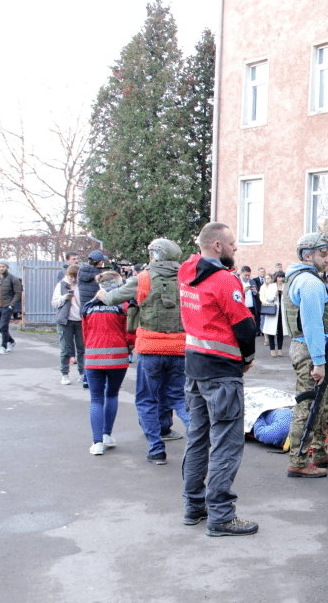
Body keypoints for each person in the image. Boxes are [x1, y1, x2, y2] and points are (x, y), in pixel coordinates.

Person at [178, 222, 258, 536]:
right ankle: (221, 515)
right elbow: (245, 328)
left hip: (195, 368)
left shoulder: (186, 272)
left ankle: (193, 506)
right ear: (217, 247)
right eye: (232, 243)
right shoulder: (225, 281)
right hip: (222, 373)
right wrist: (248, 359)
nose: (235, 248)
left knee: (197, 439)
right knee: (227, 443)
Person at [97, 238, 189, 465]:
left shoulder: (143, 278)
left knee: (147, 399)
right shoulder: (186, 278)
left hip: (150, 349)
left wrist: (100, 294)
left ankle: (156, 450)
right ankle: (199, 439)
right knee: (179, 397)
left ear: (156, 255)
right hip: (180, 348)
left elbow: (111, 298)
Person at [284, 232, 328, 478]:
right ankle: (298, 460)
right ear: (307, 256)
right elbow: (312, 325)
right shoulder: (309, 283)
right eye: (323, 253)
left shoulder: (307, 278)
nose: (327, 257)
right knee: (308, 406)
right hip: (311, 351)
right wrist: (319, 363)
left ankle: (319, 451)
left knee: (324, 402)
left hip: (316, 350)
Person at [81, 270, 134, 456]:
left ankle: (97, 443)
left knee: (96, 398)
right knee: (112, 395)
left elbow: (85, 335)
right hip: (118, 358)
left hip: (93, 358)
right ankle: (107, 435)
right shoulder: (123, 306)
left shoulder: (88, 307)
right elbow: (130, 332)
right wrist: (129, 347)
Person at [53, 263, 86, 384]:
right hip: (65, 321)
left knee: (81, 349)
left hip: (80, 321)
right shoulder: (61, 285)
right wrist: (64, 297)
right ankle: (64, 374)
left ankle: (82, 373)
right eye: (71, 276)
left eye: (75, 276)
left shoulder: (83, 286)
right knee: (65, 349)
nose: (73, 279)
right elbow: (54, 302)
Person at [0, 260, 22, 355]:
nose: (1, 268)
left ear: (7, 267)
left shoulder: (13, 278)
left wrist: (12, 305)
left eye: (3, 266)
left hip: (7, 306)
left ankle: (3, 347)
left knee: (3, 326)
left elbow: (18, 293)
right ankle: (11, 341)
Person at [261, 272, 284, 357]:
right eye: (279, 277)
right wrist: (275, 295)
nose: (281, 279)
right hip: (273, 310)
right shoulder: (271, 286)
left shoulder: (285, 286)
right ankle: (272, 349)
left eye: (282, 277)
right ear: (276, 278)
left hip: (282, 311)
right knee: (271, 331)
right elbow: (268, 298)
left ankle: (280, 349)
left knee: (280, 331)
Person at [251, 266, 267, 334]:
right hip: (257, 301)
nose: (263, 273)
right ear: (258, 273)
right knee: (257, 317)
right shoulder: (254, 280)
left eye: (264, 272)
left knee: (264, 317)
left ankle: (264, 330)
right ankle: (257, 330)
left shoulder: (267, 280)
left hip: (265, 301)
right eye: (261, 272)